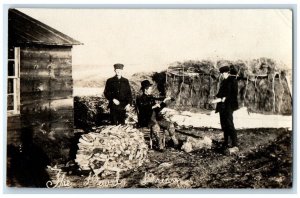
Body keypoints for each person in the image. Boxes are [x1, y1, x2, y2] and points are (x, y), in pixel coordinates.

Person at [136, 80, 179, 151]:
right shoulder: (140, 99)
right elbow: (142, 109)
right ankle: (160, 146)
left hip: (156, 118)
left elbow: (157, 109)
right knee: (156, 127)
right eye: (150, 88)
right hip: (147, 119)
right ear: (145, 89)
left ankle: (175, 142)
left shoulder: (151, 98)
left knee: (170, 125)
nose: (151, 90)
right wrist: (152, 107)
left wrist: (164, 102)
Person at [211, 65, 239, 151]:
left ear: (227, 73)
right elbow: (221, 93)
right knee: (224, 124)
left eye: (223, 73)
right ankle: (226, 142)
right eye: (221, 73)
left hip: (229, 106)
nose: (222, 75)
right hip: (222, 106)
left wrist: (224, 98)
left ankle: (234, 144)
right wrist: (216, 97)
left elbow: (233, 94)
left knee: (229, 124)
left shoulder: (232, 81)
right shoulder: (224, 81)